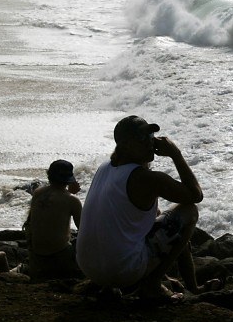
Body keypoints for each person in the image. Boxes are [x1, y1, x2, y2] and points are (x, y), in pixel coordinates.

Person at [76, 116, 204, 302]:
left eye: (151, 135)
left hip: (89, 268)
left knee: (159, 217)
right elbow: (195, 195)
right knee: (188, 211)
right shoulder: (144, 178)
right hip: (120, 271)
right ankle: (152, 284)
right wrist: (176, 154)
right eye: (142, 138)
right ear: (126, 145)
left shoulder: (105, 168)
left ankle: (189, 286)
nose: (150, 142)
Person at [21, 160, 83, 280]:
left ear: (49, 175)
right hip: (58, 256)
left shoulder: (38, 193)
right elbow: (83, 230)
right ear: (69, 179)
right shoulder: (72, 200)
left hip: (36, 255)